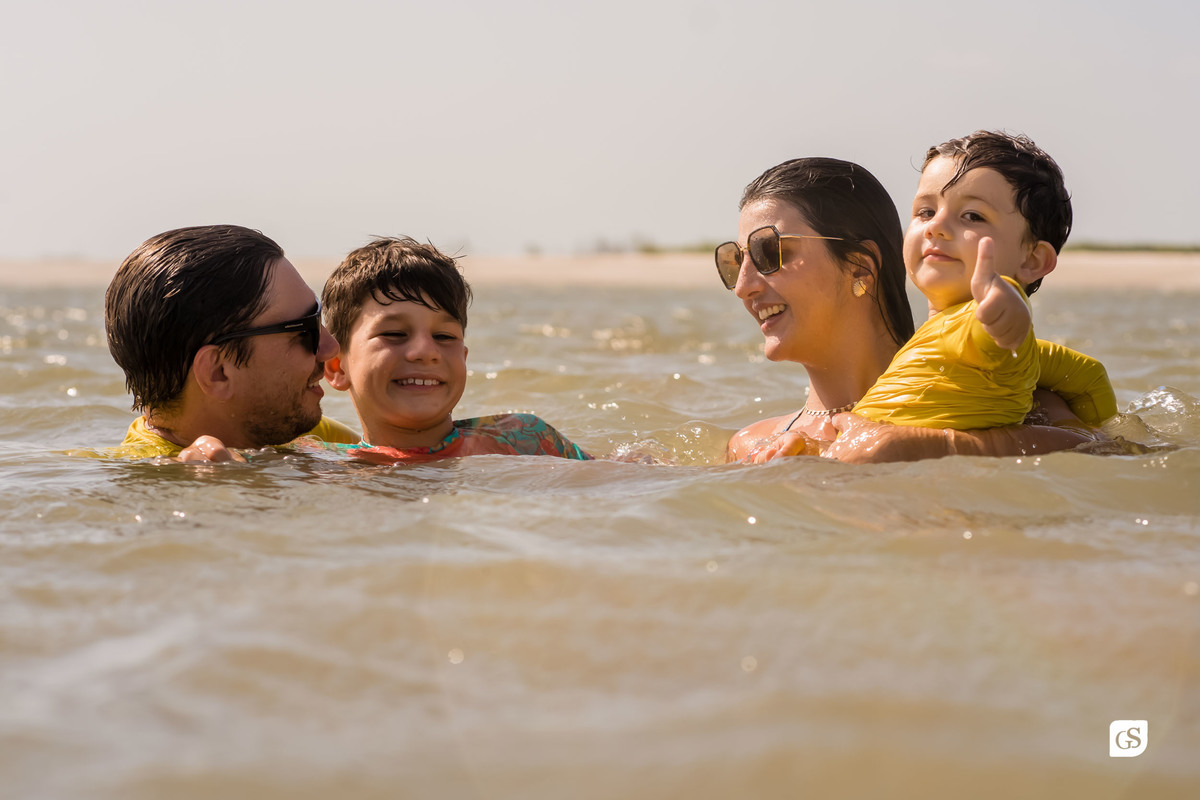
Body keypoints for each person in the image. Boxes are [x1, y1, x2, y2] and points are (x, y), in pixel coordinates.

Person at [715, 157, 1110, 464]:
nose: (744, 286)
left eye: (770, 252)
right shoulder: (752, 447)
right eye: (735, 260)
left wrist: (932, 444)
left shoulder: (1013, 399)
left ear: (860, 268)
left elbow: (1115, 455)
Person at [851, 130, 1115, 430]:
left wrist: (1007, 311)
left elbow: (999, 328)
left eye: (973, 216)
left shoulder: (985, 326)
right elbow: (1088, 374)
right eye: (926, 211)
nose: (936, 226)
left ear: (1032, 261)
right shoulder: (1014, 353)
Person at [315, 236, 592, 462]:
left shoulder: (525, 440)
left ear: (464, 358)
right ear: (337, 367)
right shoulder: (326, 466)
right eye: (395, 334)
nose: (426, 351)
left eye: (444, 336)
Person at [104, 225, 359, 460]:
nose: (331, 347)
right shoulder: (159, 479)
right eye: (304, 331)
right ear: (218, 372)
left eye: (318, 315)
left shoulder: (307, 432)